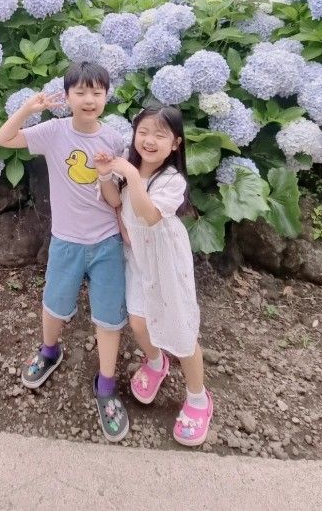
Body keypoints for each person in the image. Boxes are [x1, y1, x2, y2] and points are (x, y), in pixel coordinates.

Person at [0, 61, 130, 442]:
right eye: (80, 92)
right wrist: (28, 108)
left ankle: (106, 385)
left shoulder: (116, 140)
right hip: (66, 241)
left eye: (96, 92)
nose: (89, 99)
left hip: (106, 242)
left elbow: (116, 200)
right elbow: (3, 139)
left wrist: (106, 174)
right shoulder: (53, 132)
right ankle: (49, 351)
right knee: (54, 304)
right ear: (67, 96)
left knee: (108, 317)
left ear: (106, 95)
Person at [94, 105, 213, 447]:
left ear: (175, 144)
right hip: (138, 259)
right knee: (138, 322)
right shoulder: (126, 172)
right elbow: (115, 201)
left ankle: (197, 399)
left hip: (166, 262)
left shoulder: (172, 181)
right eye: (143, 132)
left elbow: (148, 215)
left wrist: (130, 173)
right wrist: (105, 174)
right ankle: (157, 362)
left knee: (180, 331)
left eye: (160, 135)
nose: (149, 140)